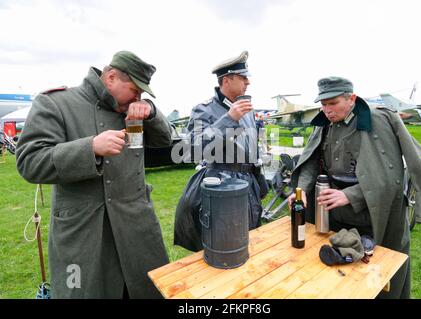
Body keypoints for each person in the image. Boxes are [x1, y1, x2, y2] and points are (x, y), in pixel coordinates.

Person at [16, 51, 172, 299]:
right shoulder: (56, 103)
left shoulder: (131, 109)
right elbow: (29, 161)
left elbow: (165, 141)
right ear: (110, 77)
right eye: (134, 90)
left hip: (137, 232)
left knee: (147, 291)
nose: (137, 97)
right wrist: (90, 148)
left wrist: (151, 112)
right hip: (83, 237)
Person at [289, 76, 421, 299]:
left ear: (351, 98)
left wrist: (350, 194)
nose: (327, 110)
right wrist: (301, 191)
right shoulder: (325, 122)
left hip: (375, 215)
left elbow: (391, 175)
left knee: (377, 277)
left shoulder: (378, 120)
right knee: (338, 276)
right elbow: (311, 162)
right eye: (323, 104)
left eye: (333, 103)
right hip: (335, 214)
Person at [174, 51, 268, 252]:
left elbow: (253, 150)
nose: (248, 82)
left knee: (249, 241)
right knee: (223, 245)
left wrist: (259, 183)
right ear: (227, 80)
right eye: (243, 77)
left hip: (248, 185)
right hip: (221, 186)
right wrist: (229, 119)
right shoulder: (204, 109)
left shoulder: (247, 109)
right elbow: (193, 150)